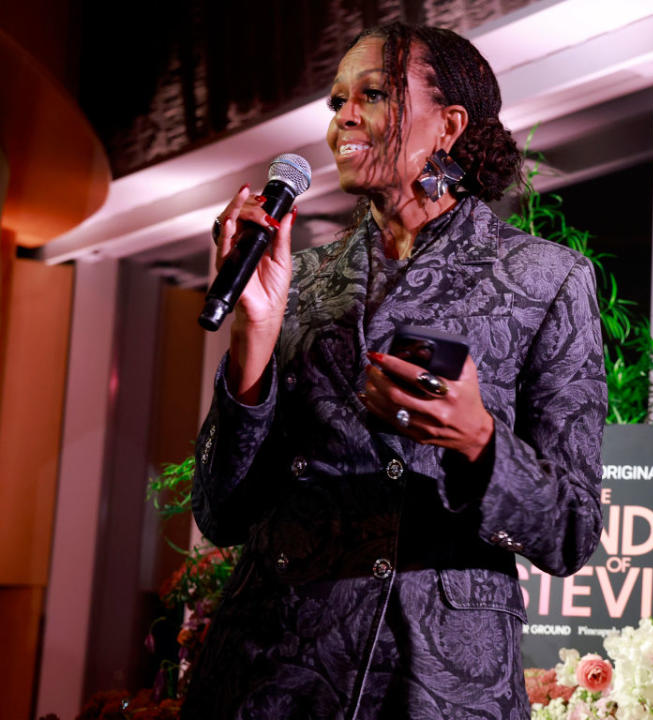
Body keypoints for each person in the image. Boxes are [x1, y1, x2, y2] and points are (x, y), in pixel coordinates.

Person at [182, 21, 606, 720]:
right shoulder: (301, 277)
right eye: (337, 101)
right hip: (271, 674)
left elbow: (571, 532)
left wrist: (479, 442)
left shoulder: (545, 279)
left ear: (448, 125)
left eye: (373, 95)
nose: (342, 117)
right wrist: (254, 340)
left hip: (434, 680)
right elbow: (220, 512)